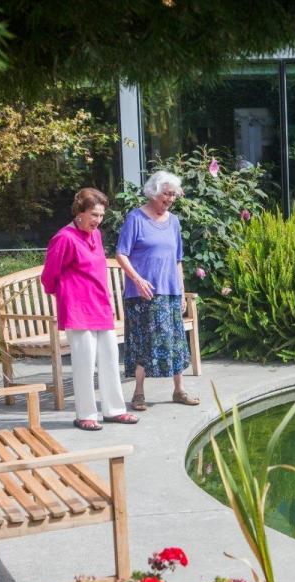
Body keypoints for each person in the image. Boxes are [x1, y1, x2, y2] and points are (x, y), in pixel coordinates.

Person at [41, 188, 139, 431]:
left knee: (110, 359)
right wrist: (67, 295)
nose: (98, 220)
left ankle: (114, 410)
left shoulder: (95, 235)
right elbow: (48, 277)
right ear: (79, 213)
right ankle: (85, 414)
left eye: (101, 215)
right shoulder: (64, 238)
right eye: (94, 214)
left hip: (100, 306)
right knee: (85, 362)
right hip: (78, 308)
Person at [116, 170, 199, 410]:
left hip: (170, 291)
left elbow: (177, 259)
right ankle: (138, 393)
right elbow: (121, 253)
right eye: (166, 194)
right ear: (153, 192)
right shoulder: (136, 219)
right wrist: (137, 280)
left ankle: (179, 390)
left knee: (175, 340)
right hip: (143, 294)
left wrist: (181, 290)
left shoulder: (173, 221)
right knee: (144, 342)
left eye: (173, 195)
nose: (170, 199)